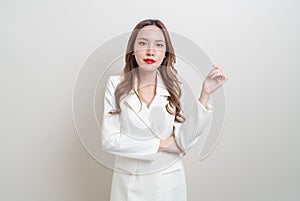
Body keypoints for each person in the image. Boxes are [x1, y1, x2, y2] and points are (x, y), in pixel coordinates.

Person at [101, 19, 227, 201]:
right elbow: (109, 140)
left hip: (168, 185)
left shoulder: (174, 87)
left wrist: (205, 94)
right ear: (132, 48)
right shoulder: (115, 85)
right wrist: (161, 144)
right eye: (143, 43)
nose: (150, 51)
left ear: (165, 53)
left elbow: (184, 141)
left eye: (158, 45)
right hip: (129, 184)